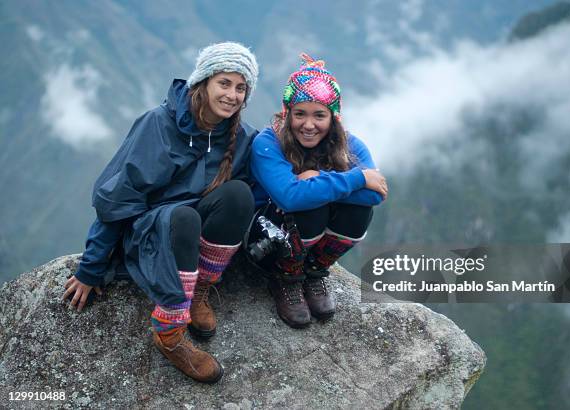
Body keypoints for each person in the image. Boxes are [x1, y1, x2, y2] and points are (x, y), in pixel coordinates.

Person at [62, 42, 259, 383]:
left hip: (191, 235)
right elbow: (118, 198)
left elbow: (266, 190)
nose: (232, 94)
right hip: (152, 233)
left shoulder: (241, 138)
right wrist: (90, 268)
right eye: (224, 83)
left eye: (241, 87)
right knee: (184, 216)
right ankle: (169, 332)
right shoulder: (158, 124)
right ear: (203, 82)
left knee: (239, 194)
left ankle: (198, 290)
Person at [248, 53, 387, 328]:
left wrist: (316, 179)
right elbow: (290, 196)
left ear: (333, 117)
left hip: (306, 242)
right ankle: (286, 276)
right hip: (265, 239)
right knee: (308, 205)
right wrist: (356, 179)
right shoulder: (267, 143)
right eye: (300, 114)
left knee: (357, 210)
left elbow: (375, 193)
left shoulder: (350, 145)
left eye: (319, 115)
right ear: (287, 113)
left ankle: (313, 270)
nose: (308, 125)